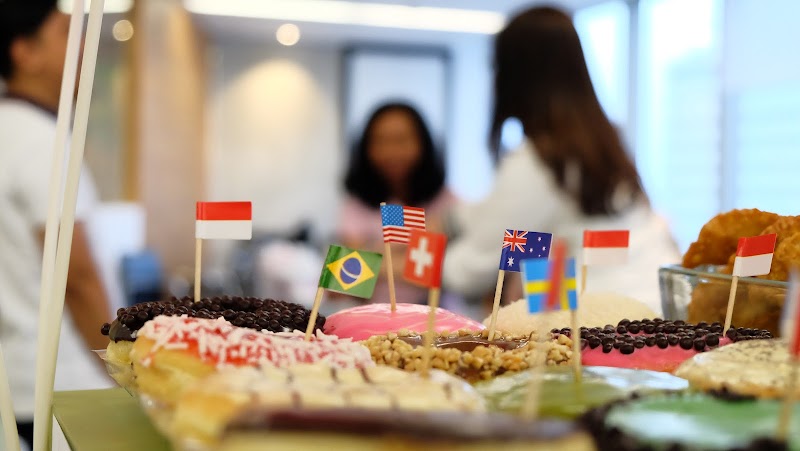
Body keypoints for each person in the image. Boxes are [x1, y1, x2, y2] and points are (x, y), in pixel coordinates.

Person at [442, 6, 680, 314]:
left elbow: (473, 269)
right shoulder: (605, 143)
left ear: (513, 74)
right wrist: (453, 219)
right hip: (658, 311)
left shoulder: (538, 161)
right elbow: (508, 216)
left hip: (594, 325)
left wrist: (408, 260)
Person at [0, 0, 113, 447]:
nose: (83, 46)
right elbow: (77, 278)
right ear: (24, 52)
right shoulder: (38, 140)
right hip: (59, 383)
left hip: (17, 382)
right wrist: (125, 372)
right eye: (66, 33)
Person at [337, 102, 456, 307]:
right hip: (372, 317)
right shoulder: (355, 205)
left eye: (401, 140)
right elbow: (350, 281)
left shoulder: (449, 202)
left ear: (423, 143)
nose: (391, 151)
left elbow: (453, 273)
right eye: (381, 141)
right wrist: (414, 255)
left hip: (438, 318)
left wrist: (373, 257)